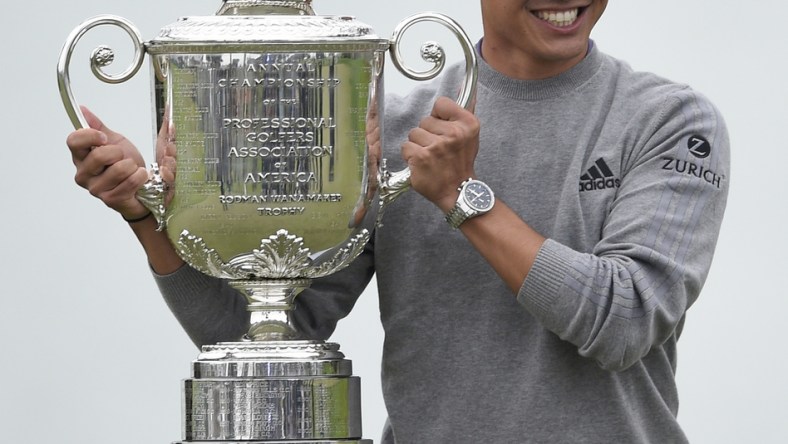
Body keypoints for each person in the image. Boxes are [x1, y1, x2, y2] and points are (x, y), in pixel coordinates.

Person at [66, 1, 730, 442]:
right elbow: (264, 327)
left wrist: (465, 199)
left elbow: (626, 321)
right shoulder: (391, 123)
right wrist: (148, 215)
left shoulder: (670, 121)